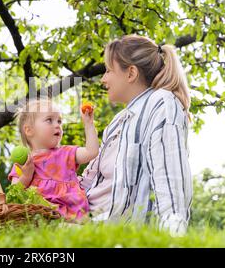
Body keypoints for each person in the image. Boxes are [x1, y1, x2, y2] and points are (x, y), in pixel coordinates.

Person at [79, 34, 193, 236]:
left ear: (131, 73)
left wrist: (173, 238)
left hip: (115, 233)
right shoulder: (118, 122)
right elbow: (89, 180)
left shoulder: (162, 104)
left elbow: (170, 185)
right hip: (85, 224)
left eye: (108, 70)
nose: (103, 79)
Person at [8, 98, 99, 220]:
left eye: (59, 121)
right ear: (29, 130)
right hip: (40, 216)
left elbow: (91, 152)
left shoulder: (66, 153)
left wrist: (88, 124)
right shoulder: (24, 163)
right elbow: (14, 194)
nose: (57, 125)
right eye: (49, 120)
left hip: (72, 215)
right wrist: (26, 176)